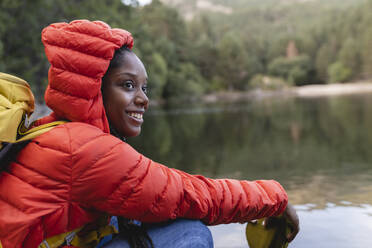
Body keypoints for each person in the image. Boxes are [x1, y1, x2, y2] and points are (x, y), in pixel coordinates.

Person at [0, 20, 299, 248]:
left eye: (145, 87)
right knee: (190, 234)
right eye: (128, 85)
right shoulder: (84, 149)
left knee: (137, 214)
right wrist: (276, 199)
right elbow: (188, 194)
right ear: (94, 90)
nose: (143, 98)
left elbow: (157, 190)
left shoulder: (56, 131)